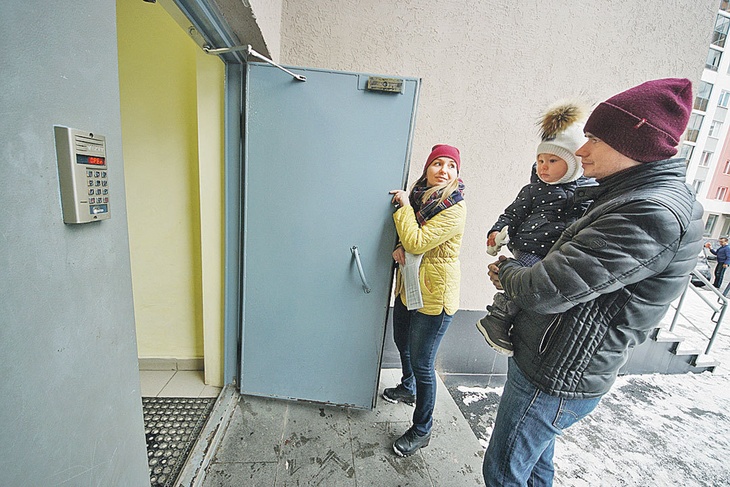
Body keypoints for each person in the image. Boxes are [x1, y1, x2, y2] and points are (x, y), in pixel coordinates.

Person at [482, 78, 704, 486]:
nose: (582, 151)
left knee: (503, 471)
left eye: (595, 140)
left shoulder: (648, 211)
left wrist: (507, 272)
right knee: (535, 467)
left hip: (554, 372)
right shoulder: (623, 194)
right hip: (551, 359)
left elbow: (545, 289)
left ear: (635, 145)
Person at [476, 101, 594, 356]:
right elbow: (512, 213)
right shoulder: (533, 190)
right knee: (528, 276)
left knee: (541, 284)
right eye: (540, 160)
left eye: (552, 160)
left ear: (574, 164)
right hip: (529, 246)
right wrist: (496, 231)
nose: (543, 166)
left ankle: (512, 323)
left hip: (556, 252)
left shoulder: (586, 192)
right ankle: (497, 318)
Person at [384, 144, 467, 457]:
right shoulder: (421, 197)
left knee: (422, 363)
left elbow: (417, 240)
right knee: (401, 341)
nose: (443, 170)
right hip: (410, 286)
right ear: (427, 168)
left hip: (435, 297)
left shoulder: (454, 207)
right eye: (437, 163)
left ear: (456, 173)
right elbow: (409, 238)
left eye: (451, 166)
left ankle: (422, 430)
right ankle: (408, 388)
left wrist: (404, 207)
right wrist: (399, 246)